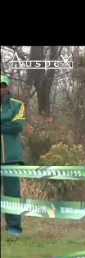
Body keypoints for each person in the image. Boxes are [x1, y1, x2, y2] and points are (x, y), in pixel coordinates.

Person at [1, 74, 27, 237]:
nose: (0, 89)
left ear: (8, 87)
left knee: (12, 195)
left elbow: (17, 126)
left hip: (11, 158)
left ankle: (14, 229)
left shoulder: (18, 105)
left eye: (3, 85)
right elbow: (9, 123)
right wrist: (6, 122)